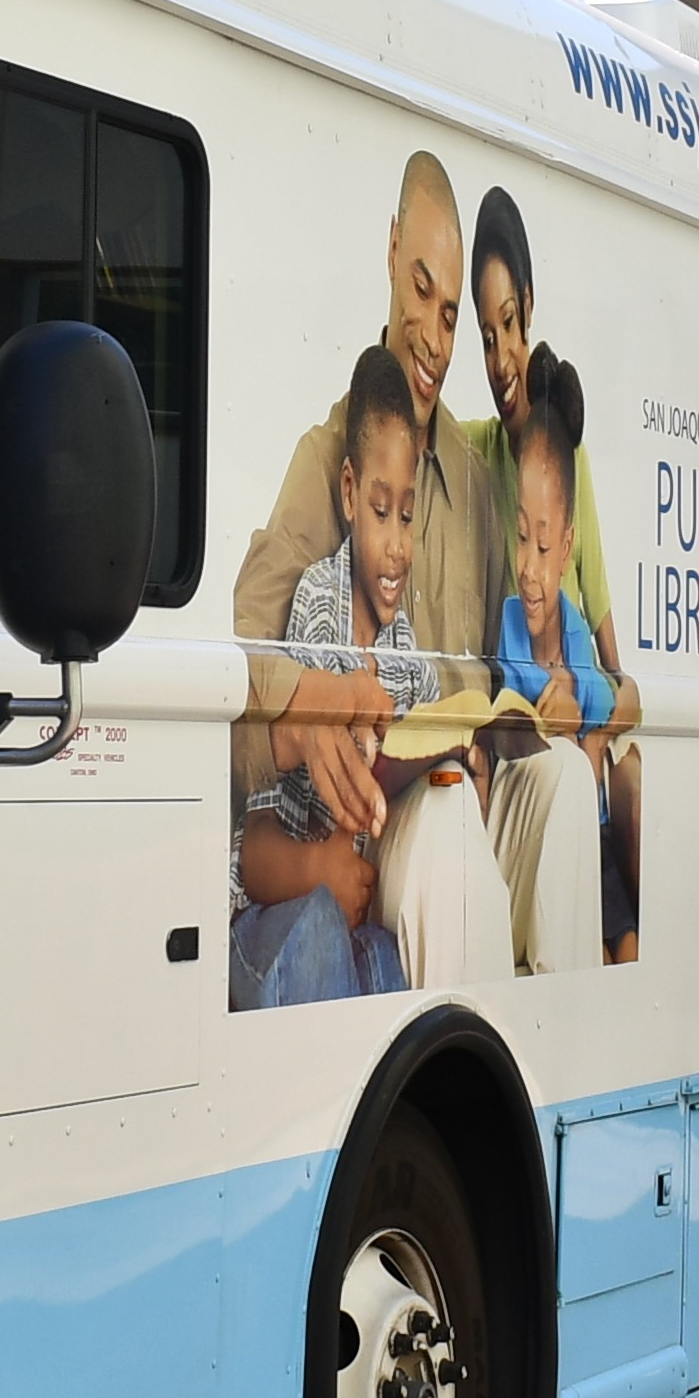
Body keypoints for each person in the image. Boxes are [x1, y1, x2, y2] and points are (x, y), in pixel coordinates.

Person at [463, 188, 642, 954]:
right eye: (484, 333)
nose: (499, 358)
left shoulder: (571, 463)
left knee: (618, 913)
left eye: (508, 325)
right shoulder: (473, 451)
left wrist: (597, 733)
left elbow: (610, 652)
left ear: (528, 309)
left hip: (577, 731)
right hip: (521, 742)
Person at [231, 346, 434, 1008]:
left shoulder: (405, 646)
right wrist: (318, 870)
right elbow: (256, 853)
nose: (397, 544)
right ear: (347, 492)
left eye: (408, 515)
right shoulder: (317, 603)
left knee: (381, 953)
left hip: (353, 905)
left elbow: (426, 729)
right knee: (322, 927)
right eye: (380, 512)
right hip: (274, 895)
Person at [490, 343, 610, 970]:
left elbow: (606, 693)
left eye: (544, 546)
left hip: (576, 818)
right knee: (566, 765)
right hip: (521, 804)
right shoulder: (509, 623)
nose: (529, 570)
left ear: (566, 548)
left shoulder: (578, 634)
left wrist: (577, 697)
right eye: (519, 537)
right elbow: (506, 703)